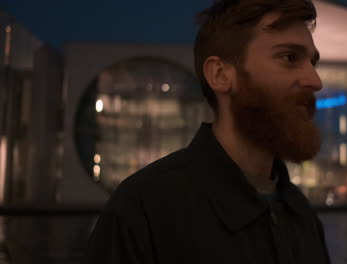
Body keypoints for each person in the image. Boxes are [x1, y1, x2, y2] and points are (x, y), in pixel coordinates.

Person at [88, 0, 330, 263]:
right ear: (220, 74)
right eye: (289, 58)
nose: (315, 81)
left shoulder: (302, 214)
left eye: (312, 63)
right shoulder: (143, 210)